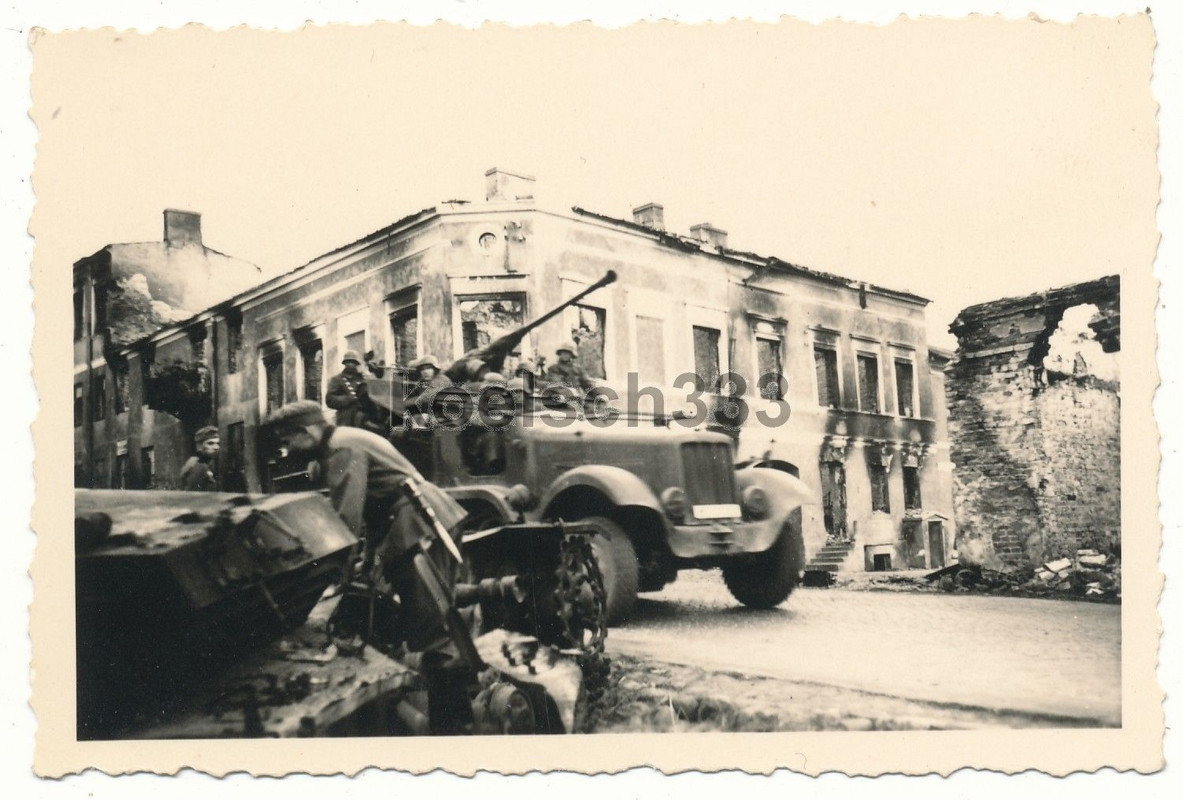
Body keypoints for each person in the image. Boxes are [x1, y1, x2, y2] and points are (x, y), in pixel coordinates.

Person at [264, 400, 473, 731]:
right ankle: (455, 714)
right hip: (419, 520)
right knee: (435, 619)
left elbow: (345, 521)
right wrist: (363, 562)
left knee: (432, 626)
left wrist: (325, 577)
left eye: (288, 442)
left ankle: (453, 727)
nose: (287, 451)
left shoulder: (340, 449)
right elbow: (376, 507)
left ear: (306, 432)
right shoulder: (348, 437)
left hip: (416, 525)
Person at [326, 350, 375, 428]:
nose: (351, 364)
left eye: (353, 362)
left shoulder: (363, 379)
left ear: (356, 364)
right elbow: (330, 399)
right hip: (346, 417)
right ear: (344, 363)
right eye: (348, 362)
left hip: (363, 417)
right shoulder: (337, 379)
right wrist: (348, 399)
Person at [179, 426, 220, 491]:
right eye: (210, 443)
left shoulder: (205, 464)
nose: (216, 447)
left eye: (218, 443)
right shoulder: (199, 467)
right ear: (199, 446)